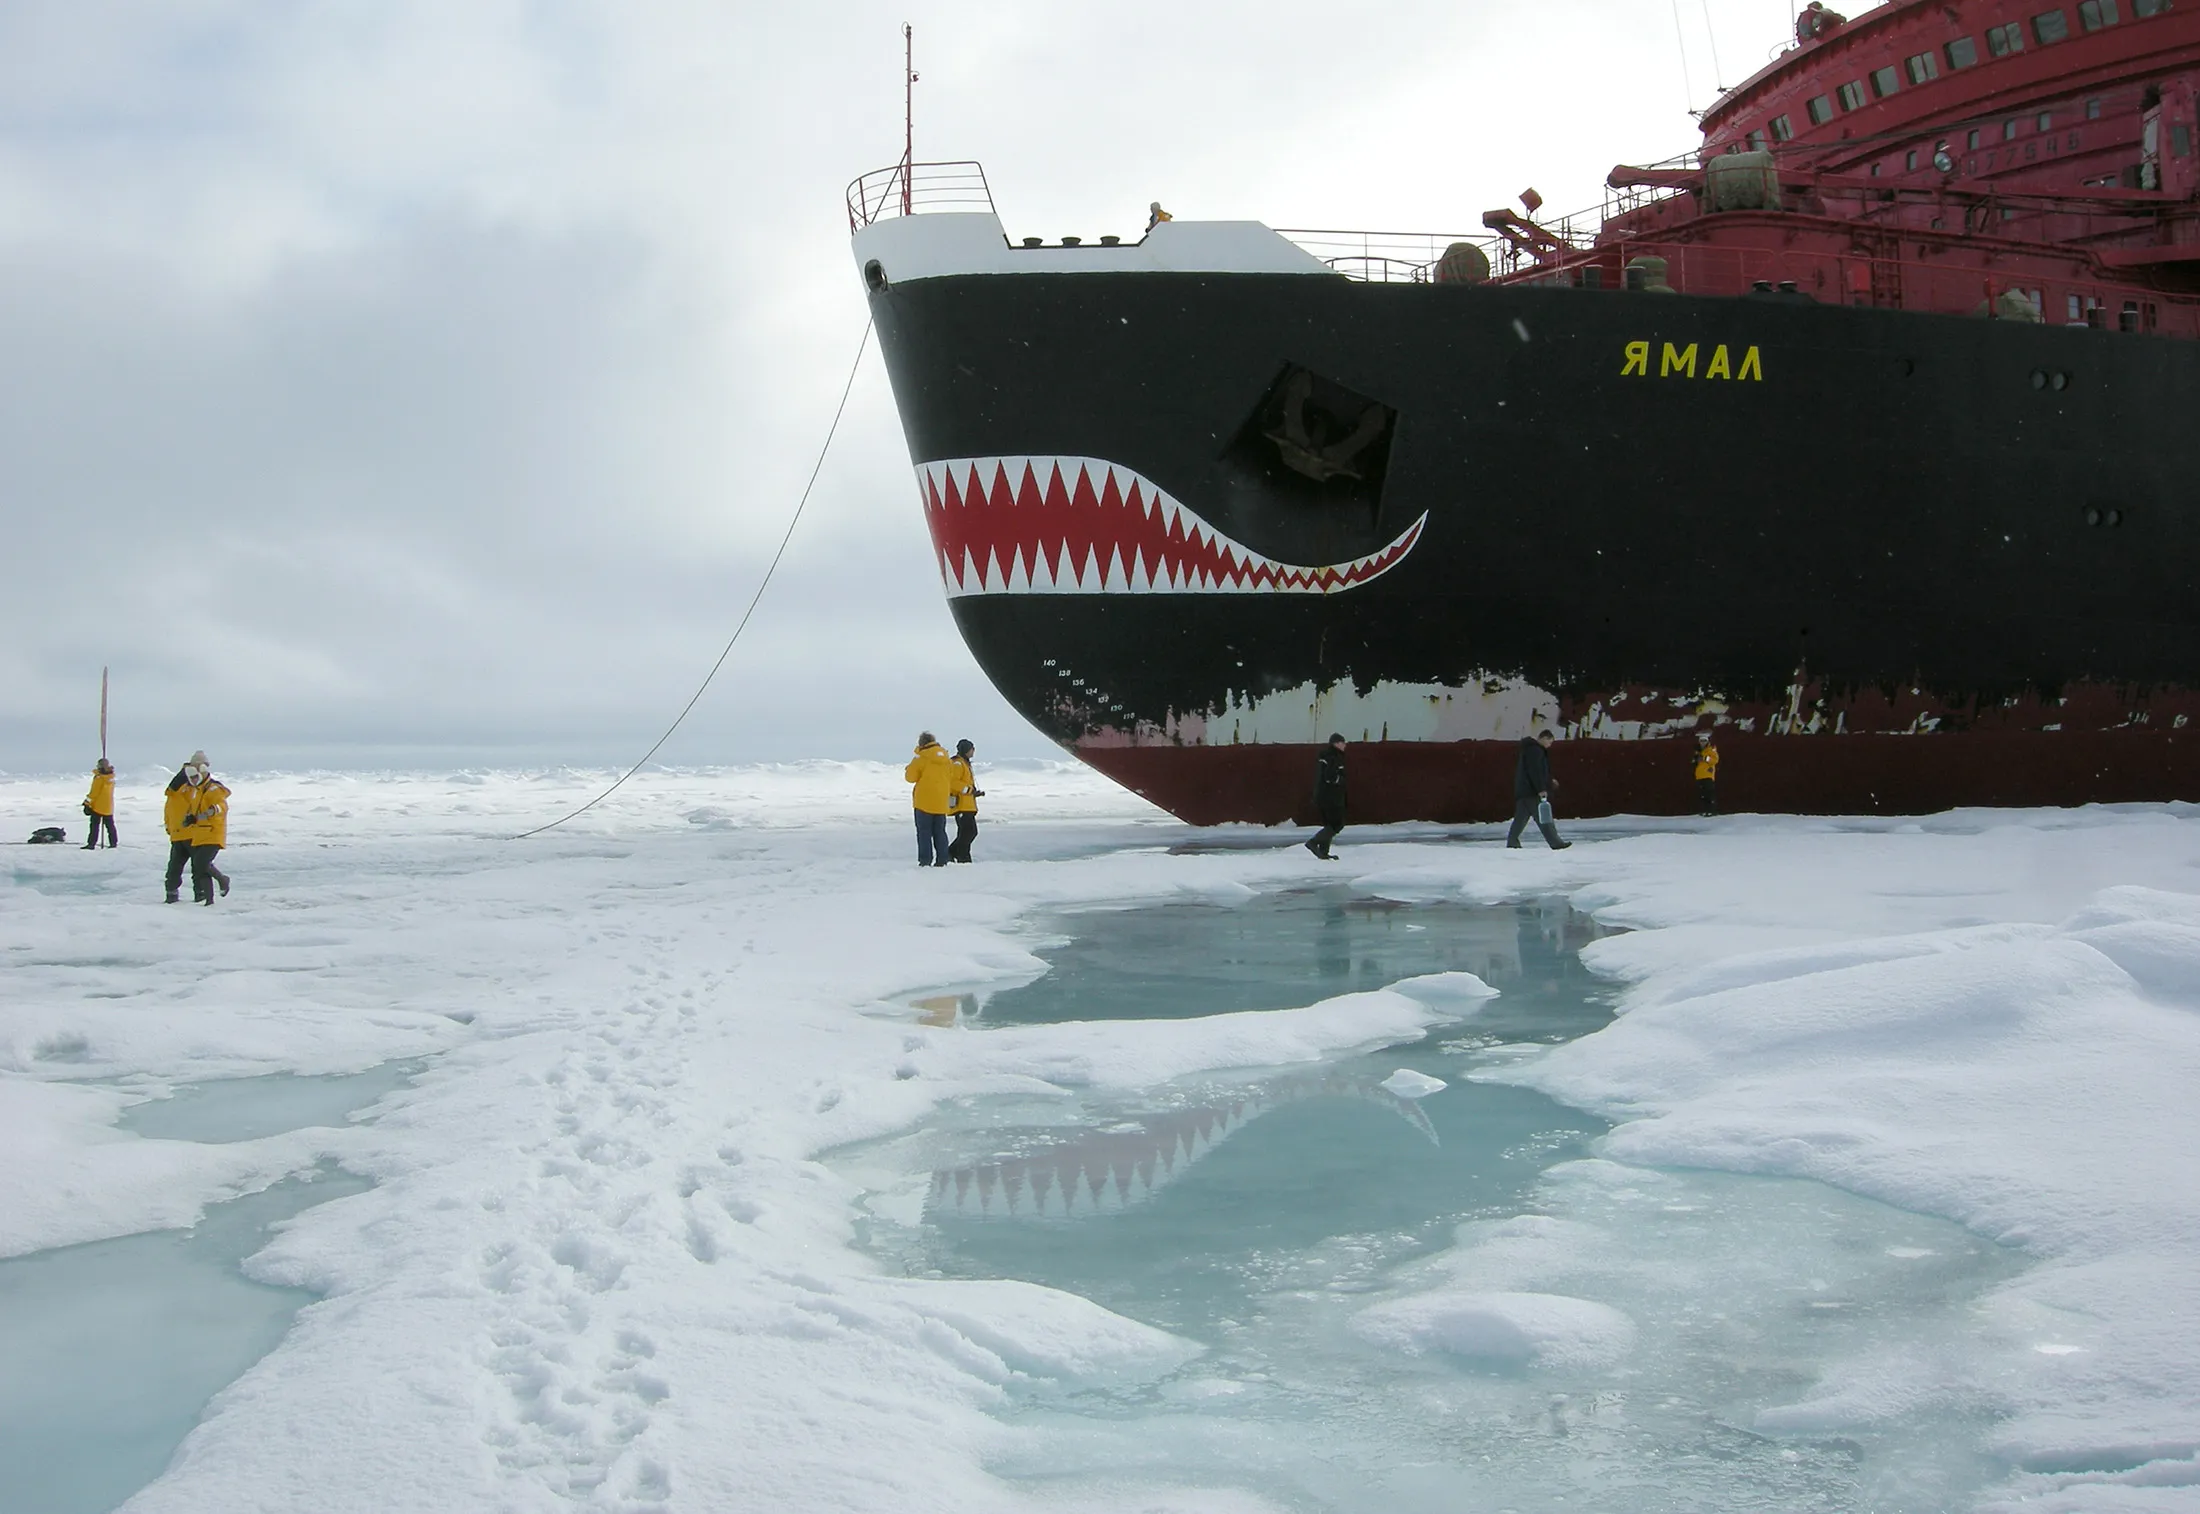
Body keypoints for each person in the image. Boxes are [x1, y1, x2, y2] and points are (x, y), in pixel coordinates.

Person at [180, 751, 231, 905]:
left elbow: (221, 807)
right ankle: (209, 900)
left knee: (201, 863)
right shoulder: (196, 791)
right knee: (199, 868)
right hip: (199, 834)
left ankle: (223, 880)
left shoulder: (213, 789)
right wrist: (190, 819)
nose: (194, 780)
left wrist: (208, 813)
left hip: (212, 833)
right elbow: (195, 810)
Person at [1506, 730, 1571, 850]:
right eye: (1549, 742)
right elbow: (1536, 771)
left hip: (1524, 790)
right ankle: (1556, 843)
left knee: (1520, 819)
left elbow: (1535, 771)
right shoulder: (1535, 751)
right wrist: (1541, 788)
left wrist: (1549, 780)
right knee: (1544, 818)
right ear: (1544, 738)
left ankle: (1512, 841)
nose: (1549, 746)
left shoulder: (1529, 749)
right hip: (1532, 792)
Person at [905, 732, 956, 868]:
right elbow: (951, 775)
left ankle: (925, 861)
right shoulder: (946, 758)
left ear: (921, 743)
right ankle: (942, 860)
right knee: (940, 832)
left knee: (924, 833)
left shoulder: (921, 757)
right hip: (941, 801)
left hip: (924, 802)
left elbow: (910, 777)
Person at [1304, 734, 1347, 859]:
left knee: (1329, 824)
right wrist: (1340, 780)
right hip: (1331, 797)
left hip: (1322, 796)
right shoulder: (1334, 756)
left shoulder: (1325, 756)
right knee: (1337, 824)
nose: (1345, 745)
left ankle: (1323, 852)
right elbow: (1329, 776)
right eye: (1343, 743)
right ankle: (1313, 842)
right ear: (1336, 744)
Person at [162, 760, 196, 902]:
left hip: (190, 834)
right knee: (174, 869)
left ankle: (201, 894)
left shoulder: (191, 790)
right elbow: (169, 811)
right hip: (178, 834)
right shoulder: (174, 792)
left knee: (200, 867)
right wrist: (169, 827)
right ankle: (172, 895)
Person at [946, 739, 984, 863]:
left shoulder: (964, 763)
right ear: (967, 750)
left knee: (968, 832)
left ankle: (955, 854)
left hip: (967, 804)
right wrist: (968, 790)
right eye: (972, 749)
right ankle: (959, 855)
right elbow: (952, 782)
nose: (973, 751)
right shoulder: (957, 763)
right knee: (968, 832)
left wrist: (974, 792)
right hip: (961, 805)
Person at [82, 759, 117, 849]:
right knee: (110, 826)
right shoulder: (111, 778)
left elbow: (94, 793)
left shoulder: (99, 778)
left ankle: (91, 844)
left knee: (94, 826)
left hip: (97, 806)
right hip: (108, 806)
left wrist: (87, 803)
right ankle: (113, 843)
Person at [1692, 729, 1721, 816]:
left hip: (1708, 775)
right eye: (1701, 741)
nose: (1703, 743)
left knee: (1709, 794)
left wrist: (1705, 759)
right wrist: (1695, 760)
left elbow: (1715, 760)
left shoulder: (1711, 750)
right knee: (1702, 795)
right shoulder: (1697, 751)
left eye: (1704, 741)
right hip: (1699, 775)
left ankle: (1712, 811)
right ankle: (1704, 810)